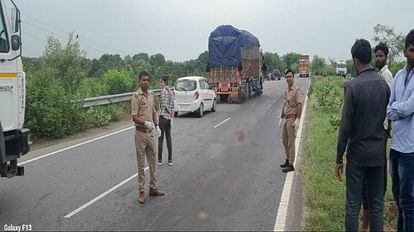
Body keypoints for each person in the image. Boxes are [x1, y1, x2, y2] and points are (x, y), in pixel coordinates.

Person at [336, 39, 390, 231]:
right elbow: (386, 120)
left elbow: (345, 127)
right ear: (370, 57)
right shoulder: (384, 85)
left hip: (358, 155)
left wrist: (339, 158)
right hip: (378, 155)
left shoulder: (353, 87)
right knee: (376, 206)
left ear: (355, 60)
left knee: (353, 204)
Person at [361, 42, 394, 231]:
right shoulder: (378, 75)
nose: (379, 59)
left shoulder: (386, 76)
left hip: (380, 132)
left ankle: (375, 211)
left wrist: (387, 129)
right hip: (376, 131)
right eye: (377, 56)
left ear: (386, 57)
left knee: (377, 176)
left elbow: (389, 104)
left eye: (381, 56)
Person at [387, 29, 414, 232]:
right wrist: (398, 109)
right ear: (405, 51)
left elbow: (407, 108)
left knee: (409, 201)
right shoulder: (397, 76)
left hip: (411, 151)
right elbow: (390, 107)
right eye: (412, 50)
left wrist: (397, 108)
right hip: (395, 147)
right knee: (398, 198)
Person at [131, 71, 165, 204]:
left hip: (150, 134)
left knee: (153, 163)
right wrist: (145, 122)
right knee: (141, 165)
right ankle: (141, 191)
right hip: (140, 133)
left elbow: (154, 111)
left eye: (147, 80)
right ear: (139, 81)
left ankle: (153, 188)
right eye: (143, 80)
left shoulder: (151, 95)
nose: (146, 82)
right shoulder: (135, 96)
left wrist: (156, 125)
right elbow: (134, 116)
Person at [279, 68, 302, 173]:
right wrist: (281, 117)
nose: (288, 78)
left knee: (291, 142)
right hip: (285, 118)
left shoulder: (296, 90)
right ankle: (288, 159)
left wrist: (298, 119)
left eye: (290, 76)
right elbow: (285, 105)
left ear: (293, 77)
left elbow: (299, 105)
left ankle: (291, 164)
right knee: (284, 140)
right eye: (287, 77)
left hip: (292, 118)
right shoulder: (286, 90)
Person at [158, 76, 175, 166]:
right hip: (169, 119)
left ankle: (160, 160)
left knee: (160, 138)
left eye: (161, 82)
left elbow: (164, 105)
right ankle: (170, 159)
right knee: (169, 138)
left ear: (165, 82)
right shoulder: (171, 91)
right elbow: (173, 104)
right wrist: (171, 115)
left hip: (163, 117)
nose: (160, 84)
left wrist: (167, 112)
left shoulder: (163, 91)